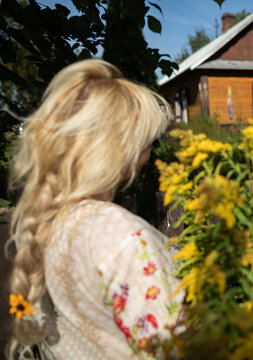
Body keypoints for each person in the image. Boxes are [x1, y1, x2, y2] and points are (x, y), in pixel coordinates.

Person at [7, 59, 184, 359]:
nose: (150, 153)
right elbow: (174, 350)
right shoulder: (122, 237)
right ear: (121, 147)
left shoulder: (39, 219)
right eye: (147, 141)